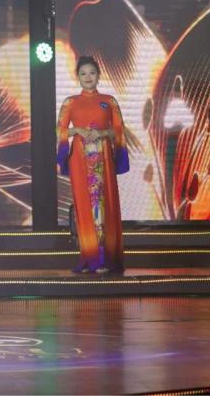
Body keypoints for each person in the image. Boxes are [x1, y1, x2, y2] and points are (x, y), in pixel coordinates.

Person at [57, 54, 125, 274]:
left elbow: (118, 131)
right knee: (85, 207)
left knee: (102, 206)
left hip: (102, 160)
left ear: (99, 75)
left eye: (92, 73)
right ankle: (89, 257)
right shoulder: (70, 103)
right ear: (77, 76)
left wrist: (103, 133)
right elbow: (59, 130)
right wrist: (76, 130)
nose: (88, 77)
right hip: (80, 160)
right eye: (83, 73)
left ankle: (104, 258)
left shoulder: (110, 101)